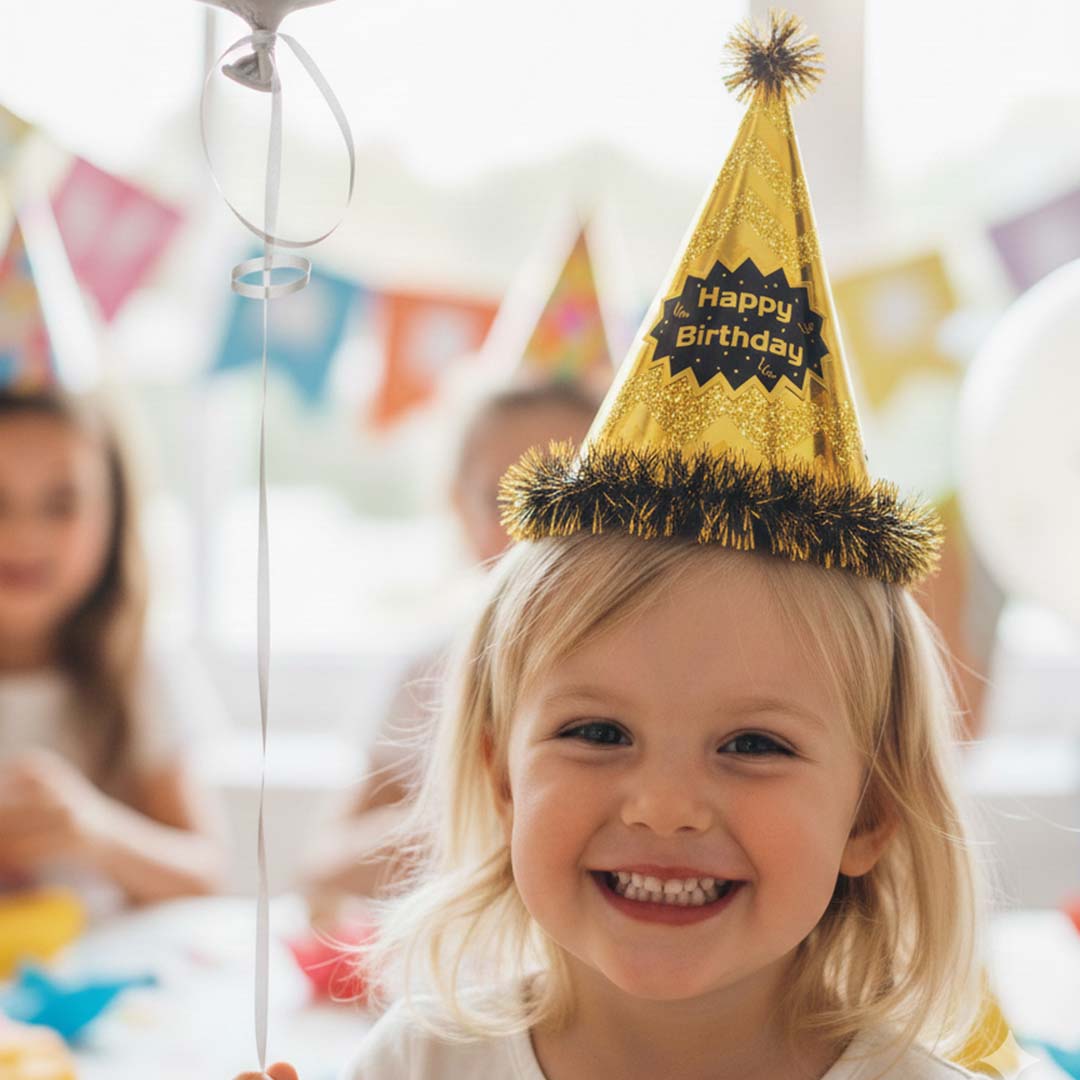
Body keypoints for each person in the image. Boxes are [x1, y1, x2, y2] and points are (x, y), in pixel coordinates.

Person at [240, 14, 995, 1076]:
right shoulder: (417, 1062)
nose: (663, 805)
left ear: (869, 810)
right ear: (502, 775)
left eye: (754, 745)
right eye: (596, 732)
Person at [301, 381, 598, 912]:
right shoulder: (431, 669)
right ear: (458, 507)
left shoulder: (653, 663)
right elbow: (328, 868)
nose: (536, 525)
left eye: (570, 494)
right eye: (504, 499)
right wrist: (478, 815)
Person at [0, 389, 225, 911]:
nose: (23, 534)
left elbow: (206, 874)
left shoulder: (139, 666)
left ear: (115, 513)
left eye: (62, 504)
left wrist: (96, 832)